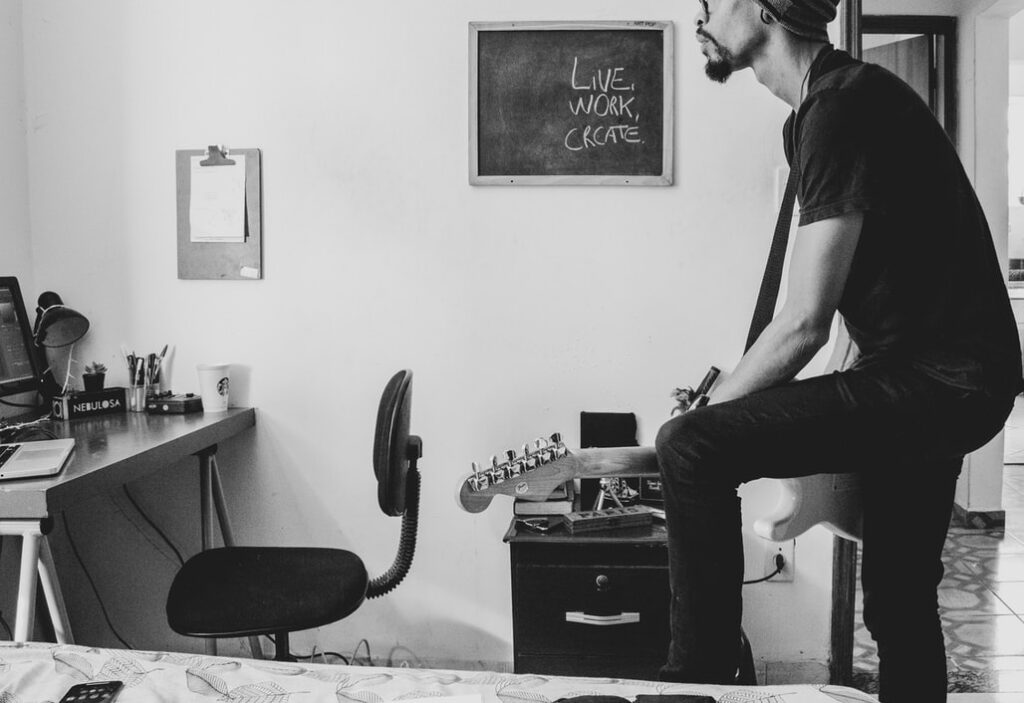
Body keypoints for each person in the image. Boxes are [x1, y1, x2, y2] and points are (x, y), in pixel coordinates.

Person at [654, 1, 1024, 701]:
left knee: (689, 448)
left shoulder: (840, 110)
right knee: (897, 598)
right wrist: (803, 395)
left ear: (766, 10)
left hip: (937, 380)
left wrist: (702, 416)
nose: (700, 9)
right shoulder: (828, 109)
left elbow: (804, 321)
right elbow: (854, 293)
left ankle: (695, 685)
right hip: (947, 375)